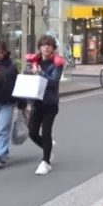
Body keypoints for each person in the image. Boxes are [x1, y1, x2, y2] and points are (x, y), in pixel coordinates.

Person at [26, 35, 64, 175]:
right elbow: (26, 77)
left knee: (46, 131)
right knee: (32, 132)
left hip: (50, 102)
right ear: (40, 47)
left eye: (49, 45)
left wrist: (40, 73)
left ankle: (46, 162)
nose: (46, 47)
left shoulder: (57, 63)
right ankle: (47, 148)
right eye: (43, 45)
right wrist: (29, 72)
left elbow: (53, 82)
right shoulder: (33, 62)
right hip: (36, 101)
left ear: (53, 48)